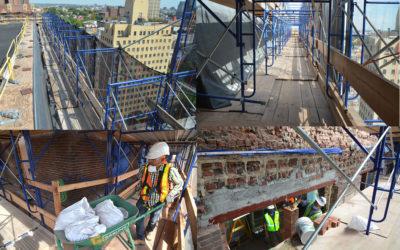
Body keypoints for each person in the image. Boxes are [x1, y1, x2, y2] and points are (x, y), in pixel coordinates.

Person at [134, 142, 184, 244]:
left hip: (159, 200)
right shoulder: (144, 167)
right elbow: (140, 179)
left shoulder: (170, 170)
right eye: (149, 158)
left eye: (153, 159)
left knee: (153, 219)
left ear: (162, 157)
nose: (150, 161)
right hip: (144, 198)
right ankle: (140, 237)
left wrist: (171, 194)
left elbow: (180, 183)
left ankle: (149, 231)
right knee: (139, 218)